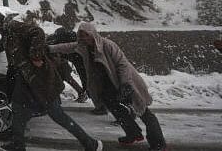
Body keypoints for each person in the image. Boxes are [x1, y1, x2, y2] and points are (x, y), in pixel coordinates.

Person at [0, 11, 102, 151]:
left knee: (57, 114)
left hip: (40, 78)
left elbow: (38, 32)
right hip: (24, 78)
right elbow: (1, 45)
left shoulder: (14, 27)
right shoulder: (6, 33)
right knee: (18, 109)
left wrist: (36, 56)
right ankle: (18, 144)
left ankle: (90, 144)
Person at [50, 22, 167, 151]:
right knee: (114, 107)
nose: (84, 38)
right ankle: (133, 133)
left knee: (143, 111)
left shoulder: (107, 45)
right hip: (108, 85)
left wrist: (125, 84)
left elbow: (122, 64)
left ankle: (159, 144)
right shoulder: (83, 47)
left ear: (92, 34)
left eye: (86, 35)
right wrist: (49, 48)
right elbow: (67, 47)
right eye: (81, 35)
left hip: (125, 82)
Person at [47, 28, 88, 103]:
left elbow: (57, 55)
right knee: (69, 78)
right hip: (64, 62)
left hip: (62, 64)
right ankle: (83, 93)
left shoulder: (52, 41)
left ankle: (83, 93)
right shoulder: (58, 41)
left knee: (62, 79)